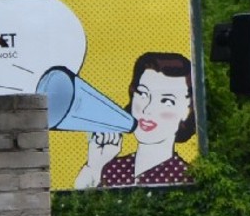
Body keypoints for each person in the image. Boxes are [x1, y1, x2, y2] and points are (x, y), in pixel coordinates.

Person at [75, 51, 197, 189]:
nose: (147, 109)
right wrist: (95, 165)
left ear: (187, 110)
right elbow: (77, 204)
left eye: (167, 101)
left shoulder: (186, 176)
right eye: (143, 94)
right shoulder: (111, 168)